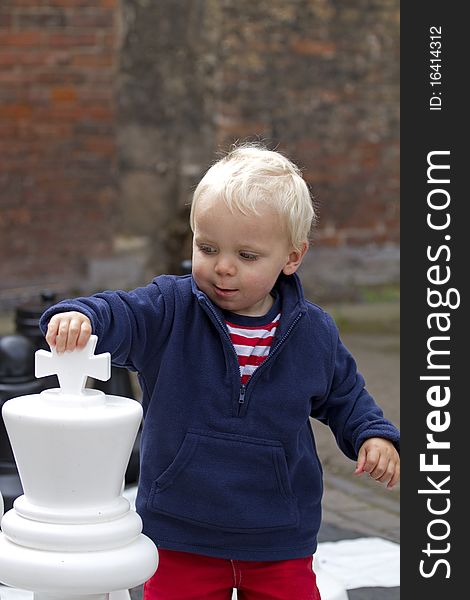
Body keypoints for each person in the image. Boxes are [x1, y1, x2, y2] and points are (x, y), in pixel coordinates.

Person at [40, 144, 400, 600]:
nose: (223, 267)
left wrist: (374, 435)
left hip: (279, 538)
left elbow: (347, 397)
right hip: (178, 534)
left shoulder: (314, 333)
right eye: (207, 248)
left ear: (292, 257)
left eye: (247, 256)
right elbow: (121, 311)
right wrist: (82, 316)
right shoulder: (170, 309)